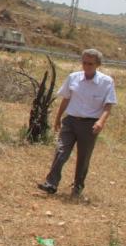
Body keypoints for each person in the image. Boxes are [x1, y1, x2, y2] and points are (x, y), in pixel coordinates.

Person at [37, 49, 117, 198]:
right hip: (70, 121)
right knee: (61, 151)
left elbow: (108, 105)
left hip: (90, 125)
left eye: (90, 64)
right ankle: (51, 184)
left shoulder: (106, 82)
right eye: (84, 63)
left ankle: (77, 187)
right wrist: (58, 118)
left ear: (98, 65)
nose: (86, 66)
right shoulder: (73, 78)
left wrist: (101, 121)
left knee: (83, 157)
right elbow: (66, 98)